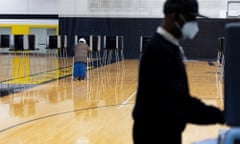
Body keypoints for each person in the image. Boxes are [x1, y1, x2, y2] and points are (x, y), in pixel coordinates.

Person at [132, 0, 225, 144]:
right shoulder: (158, 51)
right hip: (155, 135)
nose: (194, 23)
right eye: (190, 18)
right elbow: (179, 104)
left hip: (166, 131)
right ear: (173, 16)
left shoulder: (170, 47)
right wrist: (222, 116)